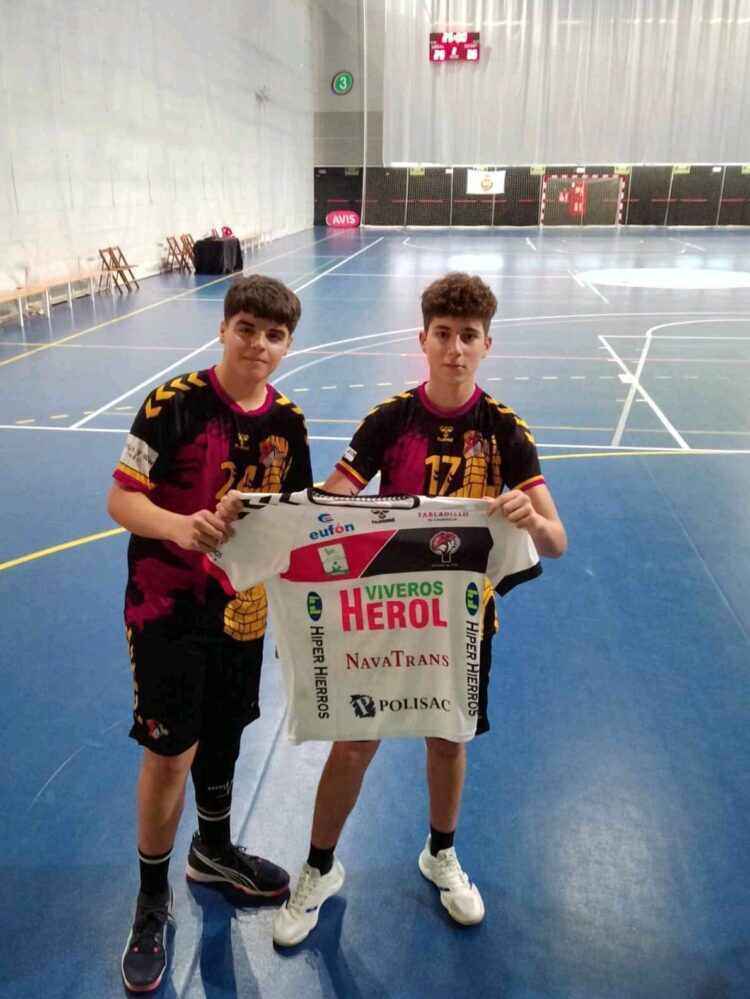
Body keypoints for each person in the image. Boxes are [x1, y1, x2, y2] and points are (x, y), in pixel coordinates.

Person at [223, 271, 567, 946]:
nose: (455, 349)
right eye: (443, 334)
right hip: (377, 622)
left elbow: (556, 540)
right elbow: (329, 504)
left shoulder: (504, 431)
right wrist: (257, 514)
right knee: (355, 743)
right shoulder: (389, 421)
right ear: (424, 338)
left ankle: (440, 851)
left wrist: (530, 518)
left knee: (448, 739)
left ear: (487, 345)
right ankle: (319, 865)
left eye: (469, 337)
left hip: (461, 625)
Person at [108, 274, 312, 992]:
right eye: (247, 328)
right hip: (166, 605)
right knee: (170, 751)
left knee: (225, 730)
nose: (259, 344)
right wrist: (179, 526)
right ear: (223, 328)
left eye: (275, 334)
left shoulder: (288, 421)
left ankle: (215, 851)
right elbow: (120, 499)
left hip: (241, 608)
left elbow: (292, 520)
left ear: (288, 344)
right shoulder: (174, 405)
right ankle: (151, 896)